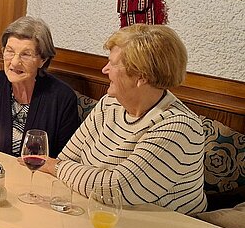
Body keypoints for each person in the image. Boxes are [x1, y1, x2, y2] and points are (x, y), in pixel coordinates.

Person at [40, 24, 207, 215]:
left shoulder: (179, 126)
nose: (105, 69)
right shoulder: (109, 104)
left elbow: (117, 188)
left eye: (112, 64)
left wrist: (56, 167)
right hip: (103, 213)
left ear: (141, 77)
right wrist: (62, 168)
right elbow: (67, 158)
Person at [0, 16, 79, 158]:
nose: (14, 62)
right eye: (10, 51)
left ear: (43, 60)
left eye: (26, 54)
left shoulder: (62, 98)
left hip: (36, 172)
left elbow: (65, 158)